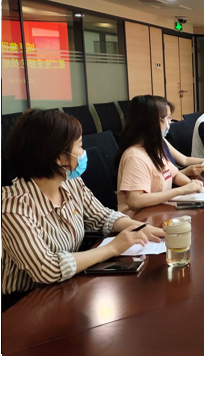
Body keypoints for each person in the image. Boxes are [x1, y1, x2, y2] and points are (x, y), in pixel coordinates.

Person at [1, 109, 164, 306]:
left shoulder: (70, 182)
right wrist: (113, 247)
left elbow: (102, 216)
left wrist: (140, 227)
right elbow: (48, 268)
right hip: (26, 302)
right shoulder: (13, 206)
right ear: (58, 158)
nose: (84, 153)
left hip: (68, 287)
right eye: (79, 146)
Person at [116, 95, 203, 213]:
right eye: (167, 118)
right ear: (152, 122)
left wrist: (192, 185)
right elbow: (135, 201)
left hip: (159, 211)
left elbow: (174, 174)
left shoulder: (155, 147)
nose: (170, 122)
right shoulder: (135, 157)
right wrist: (180, 191)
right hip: (140, 219)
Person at [156, 98, 204, 177]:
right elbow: (160, 180)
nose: (170, 122)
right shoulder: (147, 149)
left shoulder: (161, 140)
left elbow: (185, 160)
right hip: (173, 181)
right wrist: (184, 172)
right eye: (167, 118)